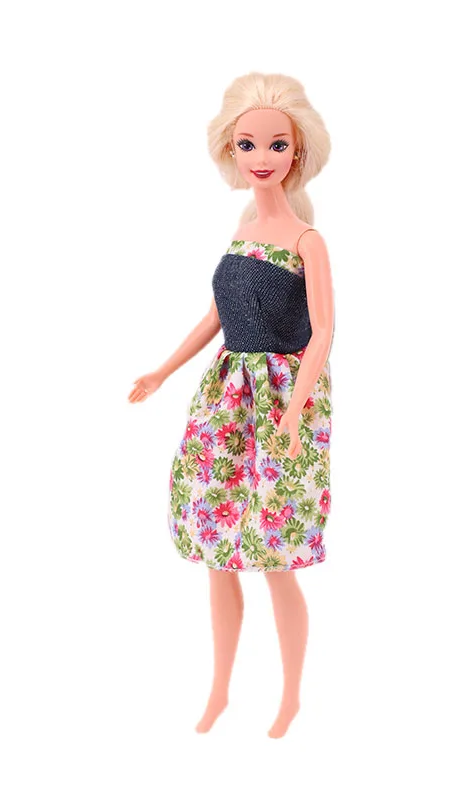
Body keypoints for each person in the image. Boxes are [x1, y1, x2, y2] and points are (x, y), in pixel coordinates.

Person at [129, 72, 335, 738]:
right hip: (226, 397)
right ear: (231, 150)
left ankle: (290, 697)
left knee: (273, 553)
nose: (262, 157)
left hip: (280, 399)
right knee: (218, 547)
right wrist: (162, 370)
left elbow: (324, 331)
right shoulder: (244, 230)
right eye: (248, 144)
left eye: (277, 144)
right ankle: (218, 692)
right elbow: (218, 314)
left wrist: (295, 410)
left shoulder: (307, 241)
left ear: (298, 151)